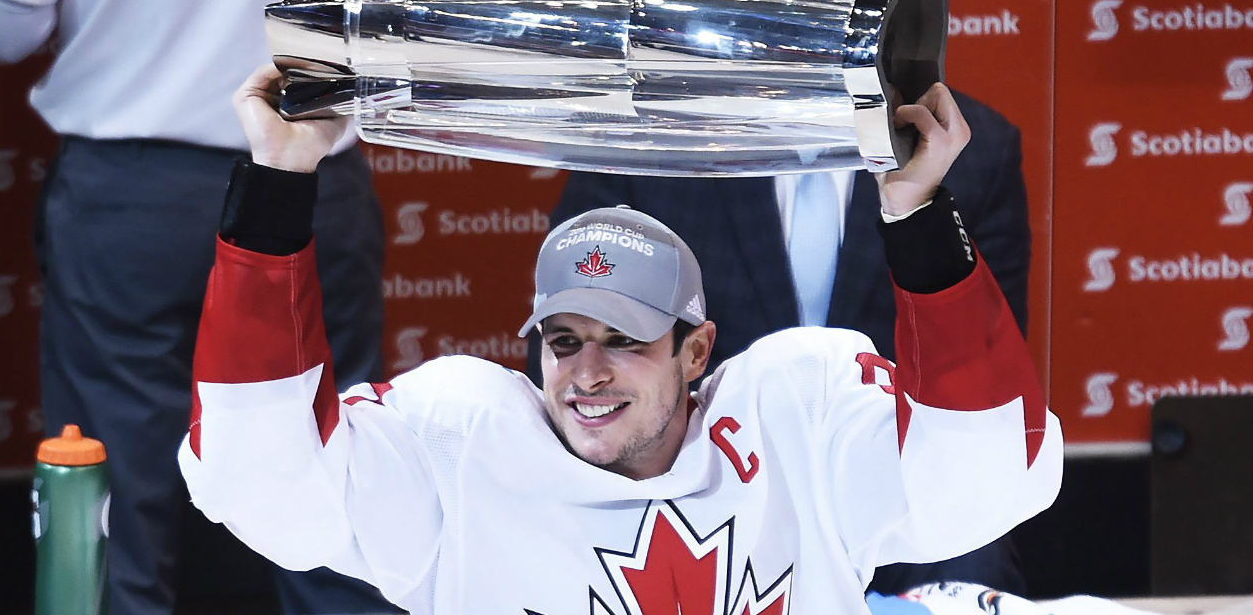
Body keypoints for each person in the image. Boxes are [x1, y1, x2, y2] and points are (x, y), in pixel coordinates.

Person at [178, 64, 1062, 615]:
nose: (586, 373)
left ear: (697, 351)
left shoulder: (793, 424)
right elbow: (261, 476)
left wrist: (916, 215)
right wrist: (277, 181)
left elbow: (985, 469)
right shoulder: (464, 446)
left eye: (625, 340)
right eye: (562, 341)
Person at [534, 0, 1033, 596]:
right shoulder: (650, 136)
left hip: (896, 501)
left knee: (972, 549)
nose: (783, 0)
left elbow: (981, 387)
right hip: (687, 493)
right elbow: (574, 341)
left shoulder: (969, 152)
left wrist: (917, 209)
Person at [0, 0, 418, 613]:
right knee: (331, 471)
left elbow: (11, 21)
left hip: (133, 184)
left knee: (110, 492)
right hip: (305, 167)